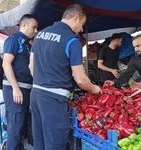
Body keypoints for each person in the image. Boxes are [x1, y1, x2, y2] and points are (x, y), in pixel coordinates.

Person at [29, 4, 101, 150]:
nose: (81, 29)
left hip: (35, 94)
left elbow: (31, 67)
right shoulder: (72, 41)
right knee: (55, 144)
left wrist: (43, 82)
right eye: (81, 24)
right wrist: (95, 89)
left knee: (40, 142)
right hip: (54, 100)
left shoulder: (40, 35)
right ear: (76, 18)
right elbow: (80, 79)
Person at [2, 14, 38, 150]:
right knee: (15, 126)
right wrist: (15, 88)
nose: (36, 31)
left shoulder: (28, 44)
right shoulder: (13, 40)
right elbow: (6, 64)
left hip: (26, 88)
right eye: (34, 27)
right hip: (15, 89)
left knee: (20, 125)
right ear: (24, 25)